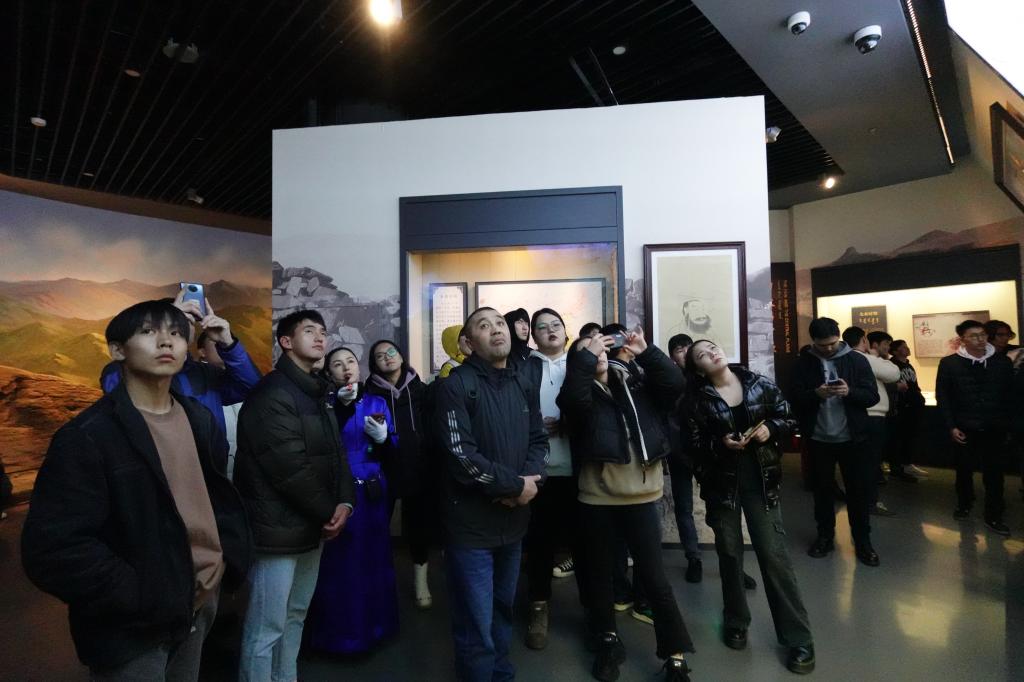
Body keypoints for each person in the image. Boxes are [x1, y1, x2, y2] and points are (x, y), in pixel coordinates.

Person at [22, 300, 251, 680]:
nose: (166, 341)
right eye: (148, 332)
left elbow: (214, 499)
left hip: (200, 599)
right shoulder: (88, 436)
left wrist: (223, 563)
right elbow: (53, 549)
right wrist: (141, 595)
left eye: (176, 333)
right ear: (117, 350)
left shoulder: (199, 420)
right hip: (133, 623)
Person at [559, 328, 693, 682]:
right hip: (597, 497)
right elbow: (572, 402)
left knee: (654, 578)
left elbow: (675, 385)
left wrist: (645, 351)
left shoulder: (636, 382)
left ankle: (675, 654)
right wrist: (586, 358)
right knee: (600, 575)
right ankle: (607, 641)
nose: (599, 353)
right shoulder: (581, 394)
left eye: (602, 349)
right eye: (589, 350)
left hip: (642, 495)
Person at [234, 310, 356, 682]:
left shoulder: (317, 390)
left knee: (296, 613)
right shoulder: (272, 393)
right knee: (266, 625)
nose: (320, 337)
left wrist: (345, 502)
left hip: (311, 524)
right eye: (309, 331)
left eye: (323, 331)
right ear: (286, 342)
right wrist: (329, 510)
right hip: (277, 530)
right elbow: (289, 469)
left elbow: (337, 454)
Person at [683, 340, 814, 674]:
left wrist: (771, 428)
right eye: (702, 355)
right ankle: (736, 621)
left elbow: (789, 419)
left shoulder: (758, 384)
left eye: (712, 347)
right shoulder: (697, 401)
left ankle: (798, 638)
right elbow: (692, 445)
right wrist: (720, 443)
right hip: (722, 487)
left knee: (774, 557)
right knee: (730, 556)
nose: (712, 353)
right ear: (699, 369)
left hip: (762, 484)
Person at [434, 306, 548, 681]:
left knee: (502, 610)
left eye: (500, 323)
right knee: (474, 622)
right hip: (471, 529)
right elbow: (460, 456)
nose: (497, 329)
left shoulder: (522, 381)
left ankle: (501, 674)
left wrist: (529, 484)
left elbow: (539, 440)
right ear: (468, 343)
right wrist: (515, 486)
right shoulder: (455, 385)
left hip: (514, 524)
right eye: (484, 326)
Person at [306, 346, 400, 654]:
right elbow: (319, 447)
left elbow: (391, 450)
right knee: (341, 564)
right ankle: (339, 636)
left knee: (375, 558)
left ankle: (377, 628)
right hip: (340, 490)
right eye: (337, 364)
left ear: (359, 367)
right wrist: (340, 409)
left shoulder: (377, 402)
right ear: (329, 372)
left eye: (350, 361)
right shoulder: (324, 404)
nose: (346, 368)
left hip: (373, 488)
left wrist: (384, 439)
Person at [100, 289, 262, 466]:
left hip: (210, 471)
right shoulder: (119, 370)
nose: (178, 329)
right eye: (168, 325)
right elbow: (119, 391)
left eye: (186, 322)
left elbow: (253, 389)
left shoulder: (206, 374)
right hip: (152, 469)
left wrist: (228, 344)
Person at [790, 317, 880, 566]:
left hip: (853, 438)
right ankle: (824, 538)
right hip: (818, 439)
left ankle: (863, 542)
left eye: (833, 343)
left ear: (839, 338)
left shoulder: (856, 360)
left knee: (858, 493)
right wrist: (815, 394)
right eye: (823, 345)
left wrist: (850, 392)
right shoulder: (803, 363)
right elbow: (793, 398)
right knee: (822, 492)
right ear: (813, 341)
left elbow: (872, 396)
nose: (829, 348)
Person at [521, 307, 580, 650]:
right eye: (541, 327)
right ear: (534, 336)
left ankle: (596, 613)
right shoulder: (525, 367)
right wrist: (534, 425)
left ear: (565, 330)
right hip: (539, 470)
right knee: (539, 543)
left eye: (555, 324)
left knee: (585, 542)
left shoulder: (580, 363)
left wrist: (568, 424)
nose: (550, 330)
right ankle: (538, 606)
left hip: (579, 468)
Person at [365, 338, 438, 609]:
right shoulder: (368, 393)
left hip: (418, 467)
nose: (387, 357)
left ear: (401, 355)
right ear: (374, 364)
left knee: (418, 527)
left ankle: (421, 583)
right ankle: (375, 582)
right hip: (382, 469)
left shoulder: (420, 389)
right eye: (380, 355)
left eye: (391, 351)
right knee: (377, 526)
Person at [936, 320, 1013, 535]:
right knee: (963, 470)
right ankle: (964, 503)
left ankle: (994, 514)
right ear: (963, 340)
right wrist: (951, 426)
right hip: (964, 426)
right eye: (974, 336)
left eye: (983, 335)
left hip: (994, 426)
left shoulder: (1001, 362)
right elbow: (944, 397)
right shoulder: (950, 363)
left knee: (995, 473)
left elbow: (1010, 395)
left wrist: (1008, 425)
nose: (980, 339)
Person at [843, 327, 900, 517]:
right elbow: (894, 373)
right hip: (872, 415)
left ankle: (862, 500)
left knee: (861, 461)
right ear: (864, 340)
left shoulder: (845, 358)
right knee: (871, 461)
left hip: (856, 415)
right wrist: (877, 357)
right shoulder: (864, 358)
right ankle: (870, 502)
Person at [666, 333, 702, 583]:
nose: (686, 353)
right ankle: (694, 558)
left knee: (721, 510)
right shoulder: (669, 382)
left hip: (709, 453)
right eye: (679, 350)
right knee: (684, 507)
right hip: (679, 454)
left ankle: (732, 563)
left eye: (689, 347)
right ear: (672, 357)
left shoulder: (708, 377)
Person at [886, 340, 929, 482]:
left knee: (911, 436)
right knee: (900, 437)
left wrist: (919, 398)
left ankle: (907, 463)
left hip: (914, 405)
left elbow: (913, 384)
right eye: (903, 347)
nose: (907, 348)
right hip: (902, 407)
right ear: (895, 351)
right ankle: (899, 465)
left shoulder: (908, 365)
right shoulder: (892, 366)